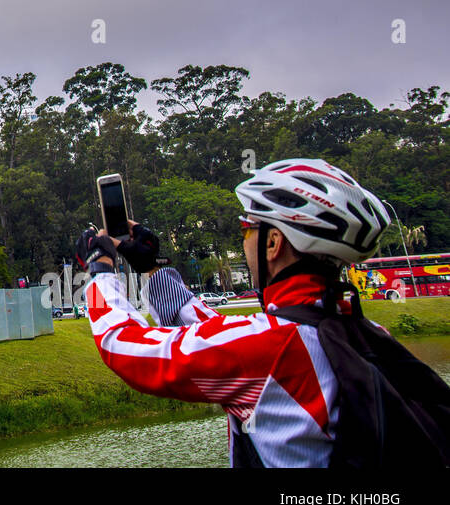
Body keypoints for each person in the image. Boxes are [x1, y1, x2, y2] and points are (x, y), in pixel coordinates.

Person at [77, 158, 446, 467]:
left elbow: (123, 345)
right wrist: (151, 268)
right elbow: (221, 331)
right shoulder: (363, 331)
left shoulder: (274, 347)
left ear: (274, 242)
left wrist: (100, 271)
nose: (245, 238)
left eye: (246, 228)